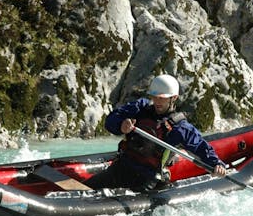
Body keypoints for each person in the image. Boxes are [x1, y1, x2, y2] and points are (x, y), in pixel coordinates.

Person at [85, 74, 227, 191]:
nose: (157, 101)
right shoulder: (140, 108)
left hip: (148, 178)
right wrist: (121, 125)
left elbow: (201, 147)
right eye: (155, 96)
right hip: (122, 167)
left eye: (162, 98)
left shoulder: (180, 127)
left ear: (174, 98)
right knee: (87, 189)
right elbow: (110, 121)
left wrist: (217, 164)